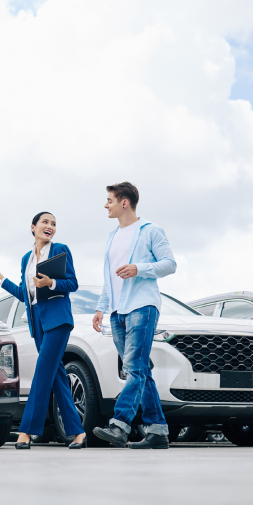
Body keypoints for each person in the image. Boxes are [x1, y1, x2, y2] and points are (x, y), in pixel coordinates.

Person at [0, 212, 86, 449]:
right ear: (33, 227)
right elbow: (25, 296)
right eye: (45, 222)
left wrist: (51, 283)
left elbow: (73, 283)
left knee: (43, 372)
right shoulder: (26, 259)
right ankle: (78, 432)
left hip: (57, 319)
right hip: (38, 323)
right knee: (56, 377)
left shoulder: (60, 249)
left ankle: (26, 431)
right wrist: (0, 277)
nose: (50, 227)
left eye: (54, 224)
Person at [91, 182, 177, 449]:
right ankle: (158, 431)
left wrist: (139, 268)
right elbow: (109, 278)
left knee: (134, 368)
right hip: (118, 312)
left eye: (110, 200)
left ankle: (120, 425)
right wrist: (101, 308)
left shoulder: (149, 230)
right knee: (140, 370)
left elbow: (169, 264)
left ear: (124, 202)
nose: (106, 205)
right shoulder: (112, 236)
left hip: (142, 307)